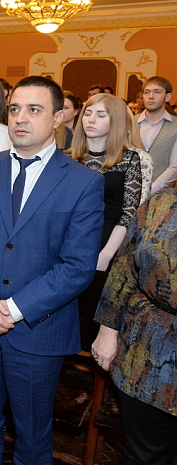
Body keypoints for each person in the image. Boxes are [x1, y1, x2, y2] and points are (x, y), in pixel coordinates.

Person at [0, 76, 105, 465]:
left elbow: (77, 266)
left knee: (32, 435)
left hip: (38, 329)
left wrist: (13, 309)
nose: (21, 118)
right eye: (15, 108)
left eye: (34, 110)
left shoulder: (84, 182)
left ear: (58, 118)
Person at [92, 189, 177, 465]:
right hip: (147, 354)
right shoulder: (160, 203)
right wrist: (107, 330)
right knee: (145, 456)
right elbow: (124, 268)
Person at [72, 94, 144, 350]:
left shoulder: (129, 160)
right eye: (88, 113)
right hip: (69, 244)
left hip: (106, 245)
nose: (90, 119)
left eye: (101, 115)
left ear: (115, 122)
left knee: (91, 318)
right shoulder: (67, 158)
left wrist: (105, 256)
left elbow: (128, 214)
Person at [137, 76, 177, 194]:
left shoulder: (175, 126)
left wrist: (150, 190)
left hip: (161, 196)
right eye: (147, 92)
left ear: (167, 96)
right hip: (127, 193)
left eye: (157, 92)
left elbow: (174, 166)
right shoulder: (129, 123)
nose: (151, 96)